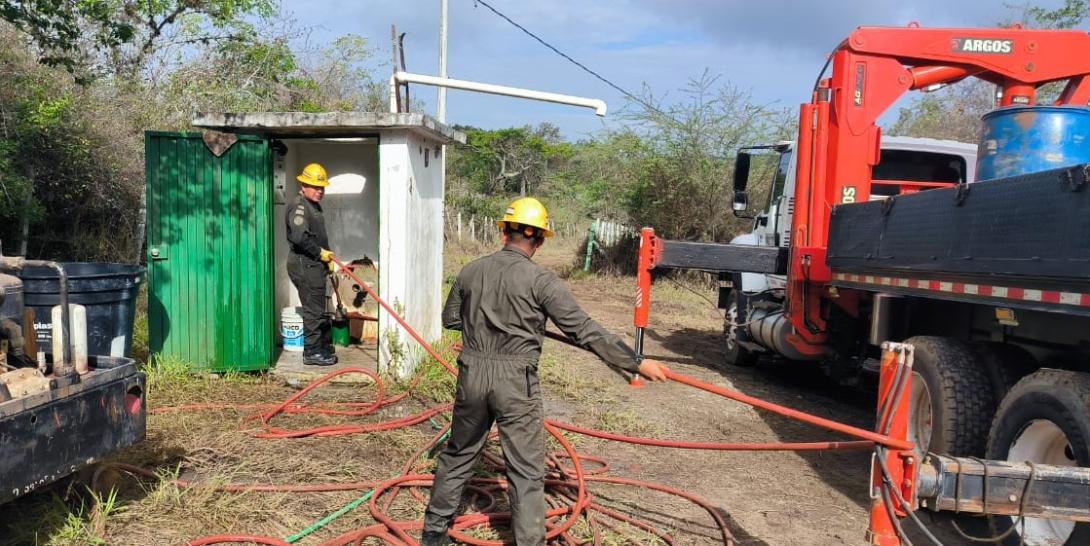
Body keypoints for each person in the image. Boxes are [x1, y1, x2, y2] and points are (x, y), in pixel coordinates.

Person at [422, 197, 671, 546]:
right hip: (515, 381)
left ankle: (433, 534)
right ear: (538, 240)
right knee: (524, 470)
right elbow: (584, 330)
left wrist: (487, 322)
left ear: (504, 232)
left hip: (472, 373)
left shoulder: (470, 270)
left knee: (460, 452)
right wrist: (637, 362)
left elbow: (451, 320)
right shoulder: (542, 281)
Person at [286, 162, 338, 366]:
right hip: (304, 264)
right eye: (315, 187)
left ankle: (321, 347)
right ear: (303, 185)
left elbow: (315, 237)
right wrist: (320, 253)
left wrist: (326, 261)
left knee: (318, 308)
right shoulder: (299, 206)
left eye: (322, 187)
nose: (319, 191)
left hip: (313, 264)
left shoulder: (313, 205)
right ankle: (312, 353)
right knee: (313, 311)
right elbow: (299, 237)